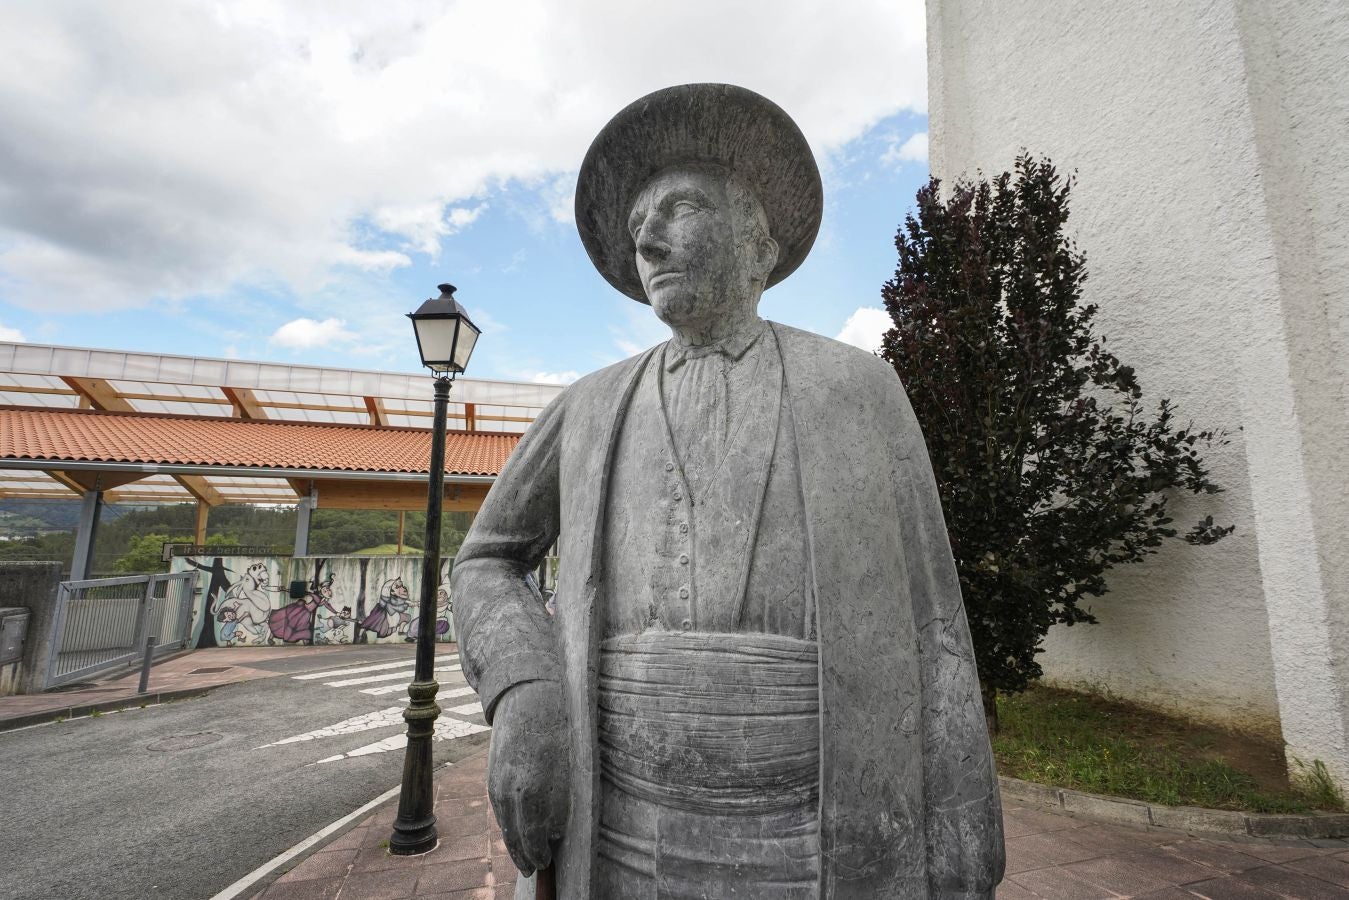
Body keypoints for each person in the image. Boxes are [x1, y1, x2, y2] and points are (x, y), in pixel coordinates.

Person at [453, 83, 1004, 899]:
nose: (650, 242)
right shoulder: (590, 404)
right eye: (638, 229)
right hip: (618, 839)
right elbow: (485, 560)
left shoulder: (857, 389)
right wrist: (525, 690)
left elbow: (933, 620)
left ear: (758, 240)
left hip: (821, 842)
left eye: (678, 210)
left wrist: (963, 825)